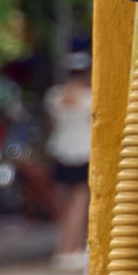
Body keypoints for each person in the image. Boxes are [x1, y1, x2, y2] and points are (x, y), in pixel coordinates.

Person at [48, 49, 93, 262]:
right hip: (83, 152)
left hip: (61, 151)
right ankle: (73, 248)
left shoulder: (55, 96)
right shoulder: (89, 99)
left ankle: (62, 247)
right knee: (80, 203)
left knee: (64, 205)